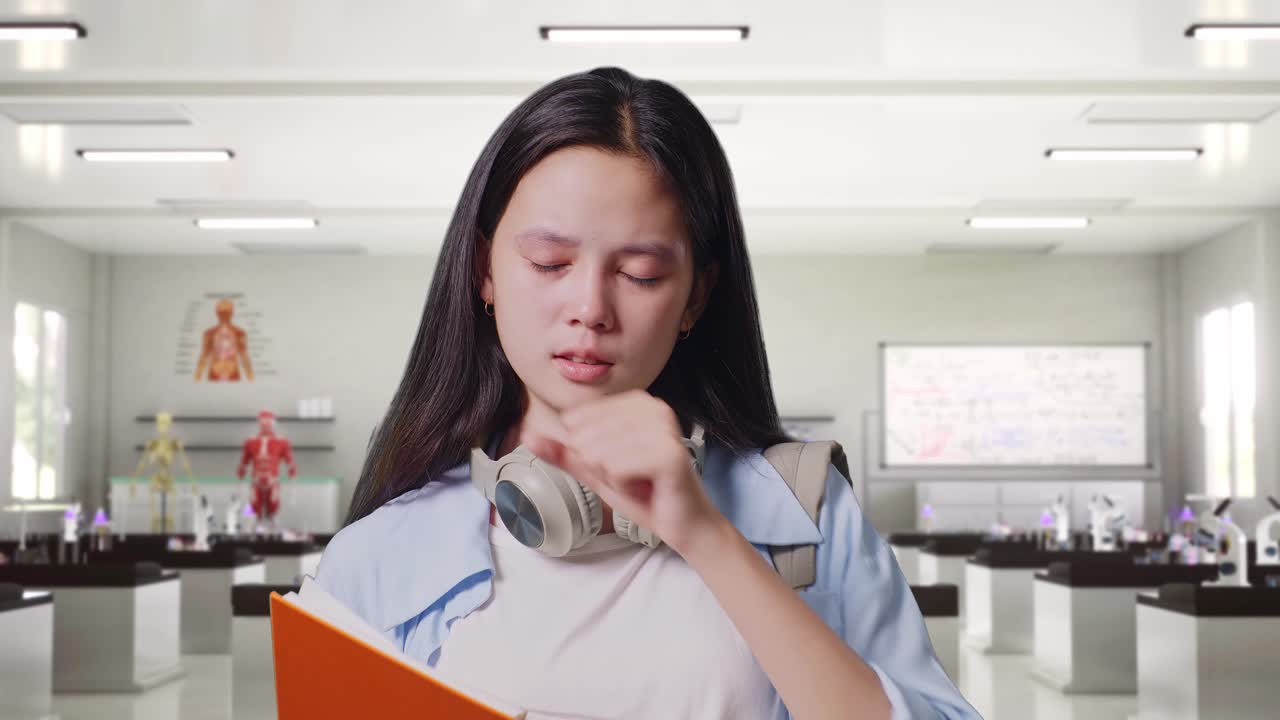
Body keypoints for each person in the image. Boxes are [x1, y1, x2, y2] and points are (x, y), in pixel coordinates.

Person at [315, 67, 978, 719]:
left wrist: (706, 536)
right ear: (483, 271)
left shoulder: (804, 512)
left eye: (640, 273)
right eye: (550, 264)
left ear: (696, 295)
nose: (589, 307)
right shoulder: (378, 556)